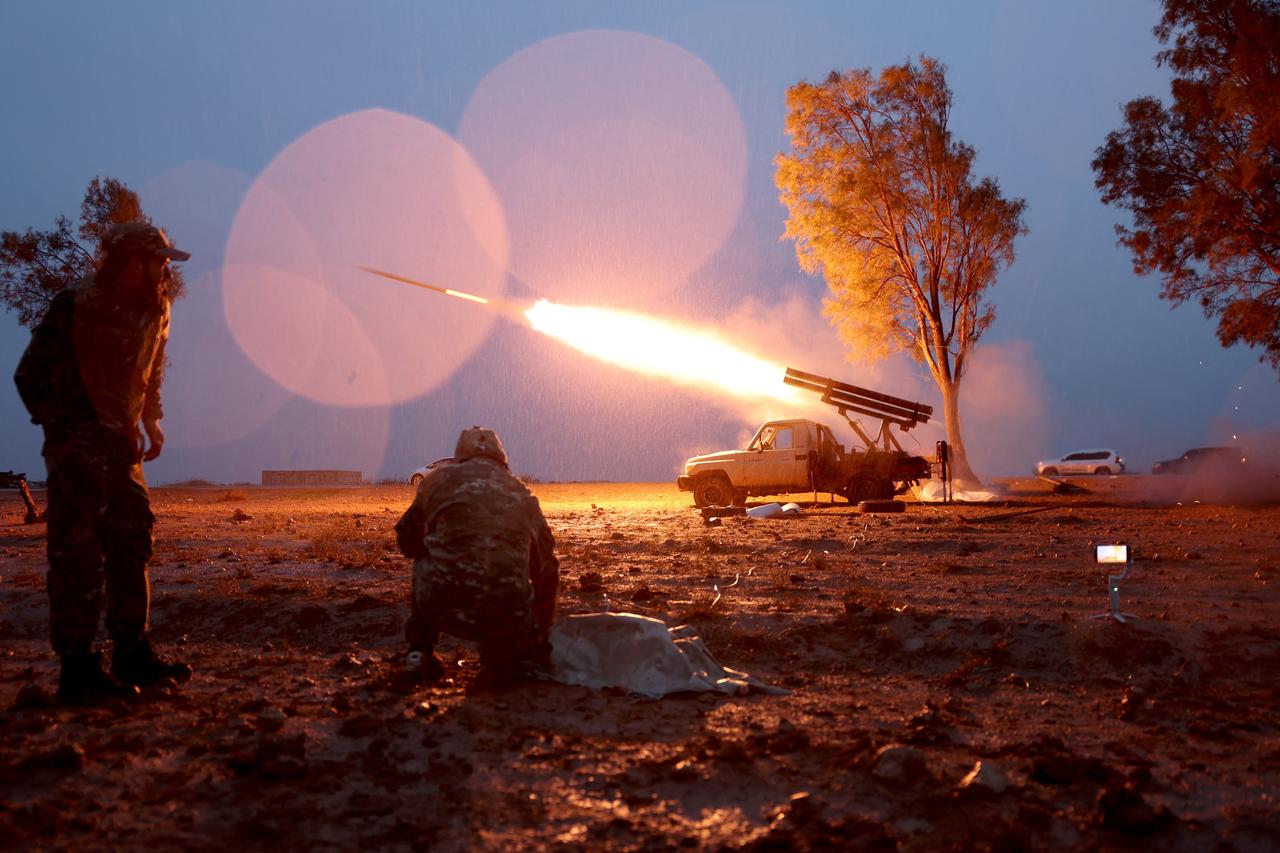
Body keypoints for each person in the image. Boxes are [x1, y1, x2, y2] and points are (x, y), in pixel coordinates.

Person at [14, 221, 193, 703]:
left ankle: (132, 653)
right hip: (78, 448)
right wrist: (64, 435)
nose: (164, 270)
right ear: (132, 262)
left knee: (133, 541)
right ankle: (77, 671)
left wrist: (150, 421)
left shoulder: (160, 309)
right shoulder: (77, 305)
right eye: (157, 260)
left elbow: (150, 372)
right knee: (76, 554)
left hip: (122, 446)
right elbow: (29, 376)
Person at [395, 427, 559, 689]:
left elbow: (407, 538)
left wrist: (441, 547)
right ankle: (505, 653)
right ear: (501, 458)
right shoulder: (521, 493)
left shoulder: (437, 483)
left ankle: (418, 652)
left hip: (439, 606)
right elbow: (546, 567)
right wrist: (540, 631)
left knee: (424, 558)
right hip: (504, 614)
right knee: (520, 581)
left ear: (460, 456)